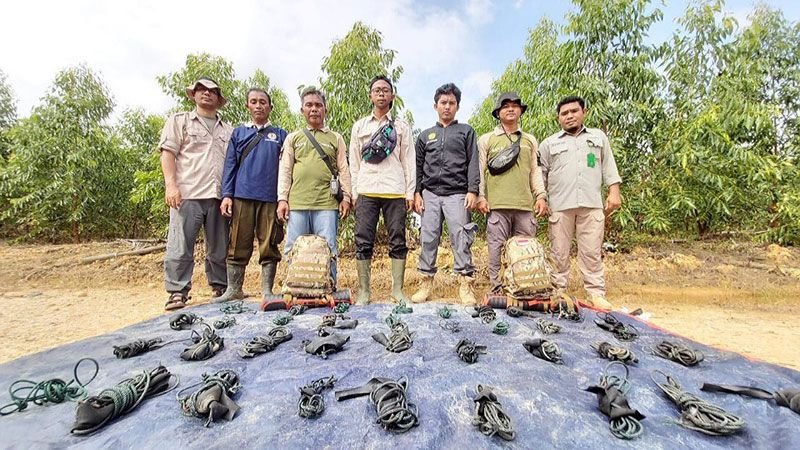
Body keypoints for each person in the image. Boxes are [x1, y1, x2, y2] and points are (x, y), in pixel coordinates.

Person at [538, 95, 622, 309]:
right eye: (564, 113)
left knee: (592, 251)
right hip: (560, 206)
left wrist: (614, 191)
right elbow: (541, 174)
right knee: (559, 252)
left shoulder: (598, 137)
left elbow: (608, 167)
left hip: (591, 204)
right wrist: (542, 198)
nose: (569, 116)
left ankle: (596, 293)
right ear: (558, 118)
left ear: (584, 112)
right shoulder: (549, 143)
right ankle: (558, 291)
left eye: (574, 111)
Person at [159, 77, 233, 310]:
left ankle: (221, 286)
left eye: (212, 91)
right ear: (193, 94)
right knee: (180, 246)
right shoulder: (180, 121)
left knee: (219, 247)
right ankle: (177, 291)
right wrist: (171, 185)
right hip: (188, 193)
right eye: (201, 89)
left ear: (218, 99)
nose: (206, 94)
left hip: (218, 196)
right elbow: (168, 153)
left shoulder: (228, 129)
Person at [213, 88, 288, 303]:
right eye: (253, 102)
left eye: (263, 102)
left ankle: (267, 290)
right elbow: (230, 166)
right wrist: (227, 195)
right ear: (247, 106)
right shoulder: (238, 133)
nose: (258, 106)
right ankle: (234, 289)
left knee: (270, 243)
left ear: (270, 107)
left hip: (270, 198)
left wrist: (284, 198)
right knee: (237, 242)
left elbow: (287, 168)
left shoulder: (281, 135)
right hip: (242, 196)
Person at [277, 86, 352, 289]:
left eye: (318, 105)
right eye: (309, 105)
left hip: (327, 204)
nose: (314, 109)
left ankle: (330, 287)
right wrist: (282, 199)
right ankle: (295, 287)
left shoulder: (335, 138)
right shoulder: (293, 138)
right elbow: (285, 170)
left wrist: (346, 197)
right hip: (298, 203)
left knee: (329, 247)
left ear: (325, 109)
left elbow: (344, 169)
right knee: (294, 247)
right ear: (302, 110)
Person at [349, 76, 415, 305]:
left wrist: (409, 192)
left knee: (397, 240)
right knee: (363, 240)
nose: (381, 94)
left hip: (394, 190)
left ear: (392, 96)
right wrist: (354, 192)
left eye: (385, 90)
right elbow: (354, 161)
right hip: (366, 190)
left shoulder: (401, 127)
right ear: (371, 95)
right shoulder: (360, 126)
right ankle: (364, 292)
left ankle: (397, 290)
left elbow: (409, 160)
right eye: (376, 90)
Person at [412, 83, 480, 305]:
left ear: (457, 106)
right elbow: (418, 165)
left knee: (461, 238)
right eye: (443, 103)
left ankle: (465, 285)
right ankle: (425, 283)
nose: (447, 107)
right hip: (430, 193)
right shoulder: (425, 135)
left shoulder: (466, 132)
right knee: (428, 237)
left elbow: (473, 163)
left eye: (452, 103)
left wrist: (473, 190)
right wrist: (417, 192)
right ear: (435, 106)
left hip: (457, 194)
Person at [476, 92, 548, 293]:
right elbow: (480, 170)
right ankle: (497, 288)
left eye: (515, 106)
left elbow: (535, 171)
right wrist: (481, 196)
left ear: (520, 111)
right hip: (497, 205)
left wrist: (541, 196)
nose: (510, 109)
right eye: (505, 106)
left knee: (526, 252)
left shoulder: (530, 140)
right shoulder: (486, 139)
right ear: (498, 113)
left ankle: (524, 287)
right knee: (495, 249)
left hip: (525, 206)